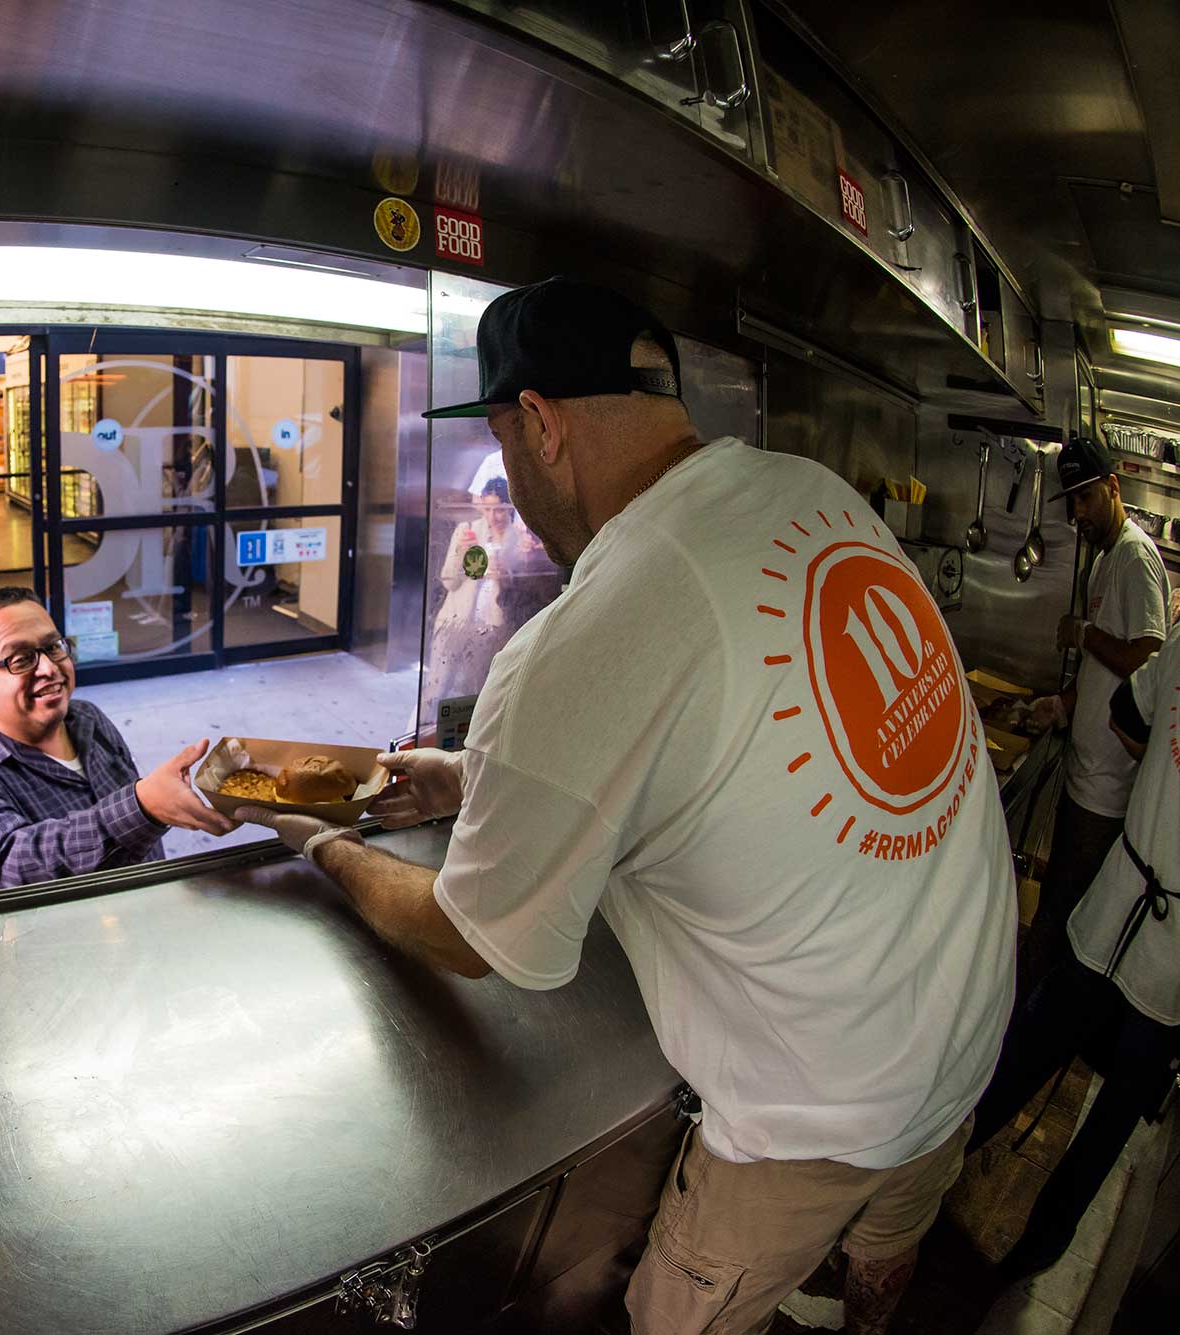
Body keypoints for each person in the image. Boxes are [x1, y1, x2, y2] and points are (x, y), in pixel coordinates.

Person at [237, 278, 1015, 1335]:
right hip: (964, 1036)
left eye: (505, 443)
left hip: (816, 1115)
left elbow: (477, 938)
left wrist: (325, 843)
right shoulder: (806, 494)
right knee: (880, 1273)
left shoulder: (596, 626)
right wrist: (472, 777)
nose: (507, 476)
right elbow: (722, 746)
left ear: (542, 424)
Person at [969, 579, 1180, 1279]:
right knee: (1114, 1114)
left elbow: (1125, 720)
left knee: (1034, 1042)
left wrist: (1174, 772)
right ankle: (1032, 1256)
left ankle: (943, 1165)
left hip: (1123, 893)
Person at [0, 587, 234, 891]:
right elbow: (8, 866)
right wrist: (142, 807)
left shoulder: (88, 718)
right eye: (20, 659)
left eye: (54, 647)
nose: (48, 668)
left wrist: (165, 806)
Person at [1021, 437, 1168, 986]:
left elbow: (1148, 658)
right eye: (1072, 503)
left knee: (1065, 914)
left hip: (1106, 792)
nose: (1078, 513)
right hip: (1086, 778)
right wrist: (1062, 706)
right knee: (1058, 902)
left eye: (1087, 499)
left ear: (1114, 488)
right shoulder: (1108, 560)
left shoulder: (1133, 556)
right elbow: (1105, 673)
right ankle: (1033, 998)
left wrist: (1084, 633)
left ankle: (1029, 1020)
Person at [427, 477, 533, 705]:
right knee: (436, 691)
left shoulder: (518, 540)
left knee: (477, 695)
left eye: (499, 510)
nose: (492, 517)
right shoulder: (467, 531)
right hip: (456, 625)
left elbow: (522, 593)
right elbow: (448, 582)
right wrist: (461, 554)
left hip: (491, 630)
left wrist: (507, 575)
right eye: (487, 509)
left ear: (510, 507)